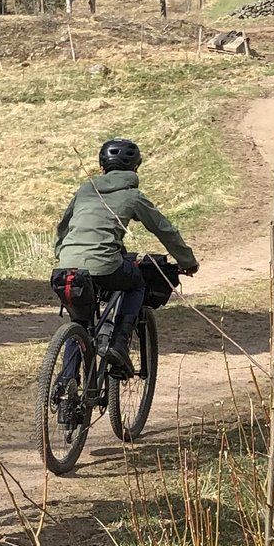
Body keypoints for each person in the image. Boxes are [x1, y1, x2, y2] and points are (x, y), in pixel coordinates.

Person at [51, 138, 198, 371]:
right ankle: (119, 343)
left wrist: (62, 254)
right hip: (105, 265)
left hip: (65, 267)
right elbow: (164, 229)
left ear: (102, 167)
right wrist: (187, 261)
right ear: (135, 167)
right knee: (136, 283)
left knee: (79, 322)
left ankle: (65, 383)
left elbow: (63, 227)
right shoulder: (133, 196)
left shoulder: (85, 190)